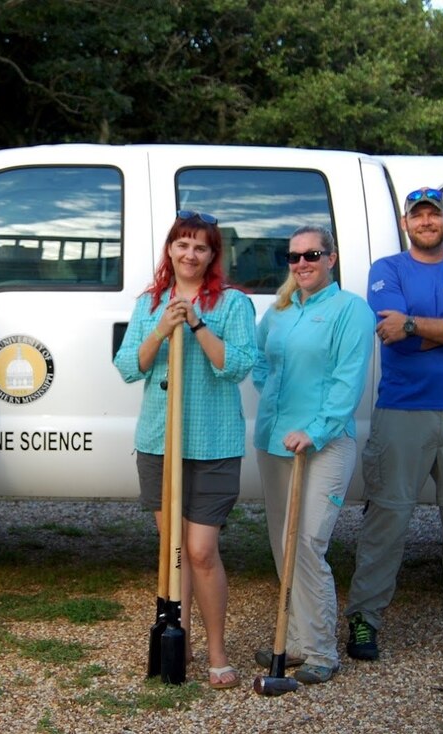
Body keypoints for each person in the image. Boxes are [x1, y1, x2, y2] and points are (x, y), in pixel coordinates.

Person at [345, 187, 443, 665]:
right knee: (387, 519)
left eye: (432, 214)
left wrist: (415, 325)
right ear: (405, 223)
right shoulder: (388, 270)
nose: (425, 222)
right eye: (417, 216)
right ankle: (364, 617)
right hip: (401, 412)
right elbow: (391, 338)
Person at [114, 210, 257, 690]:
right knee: (171, 546)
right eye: (182, 245)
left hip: (213, 443)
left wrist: (196, 324)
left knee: (200, 550)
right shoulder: (150, 301)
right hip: (159, 440)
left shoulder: (233, 304)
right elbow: (128, 367)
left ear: (213, 255)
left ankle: (217, 651)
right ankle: (181, 635)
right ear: (170, 250)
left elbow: (236, 366)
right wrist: (161, 328)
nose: (190, 254)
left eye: (200, 247)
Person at [251, 226, 374, 684]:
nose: (302, 263)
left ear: (331, 258)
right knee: (282, 544)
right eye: (294, 257)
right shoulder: (280, 310)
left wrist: (314, 428)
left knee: (307, 543)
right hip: (274, 442)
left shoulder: (350, 311)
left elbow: (348, 381)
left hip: (324, 445)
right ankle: (297, 640)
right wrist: (273, 397)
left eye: (312, 255)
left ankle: (322, 651)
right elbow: (259, 359)